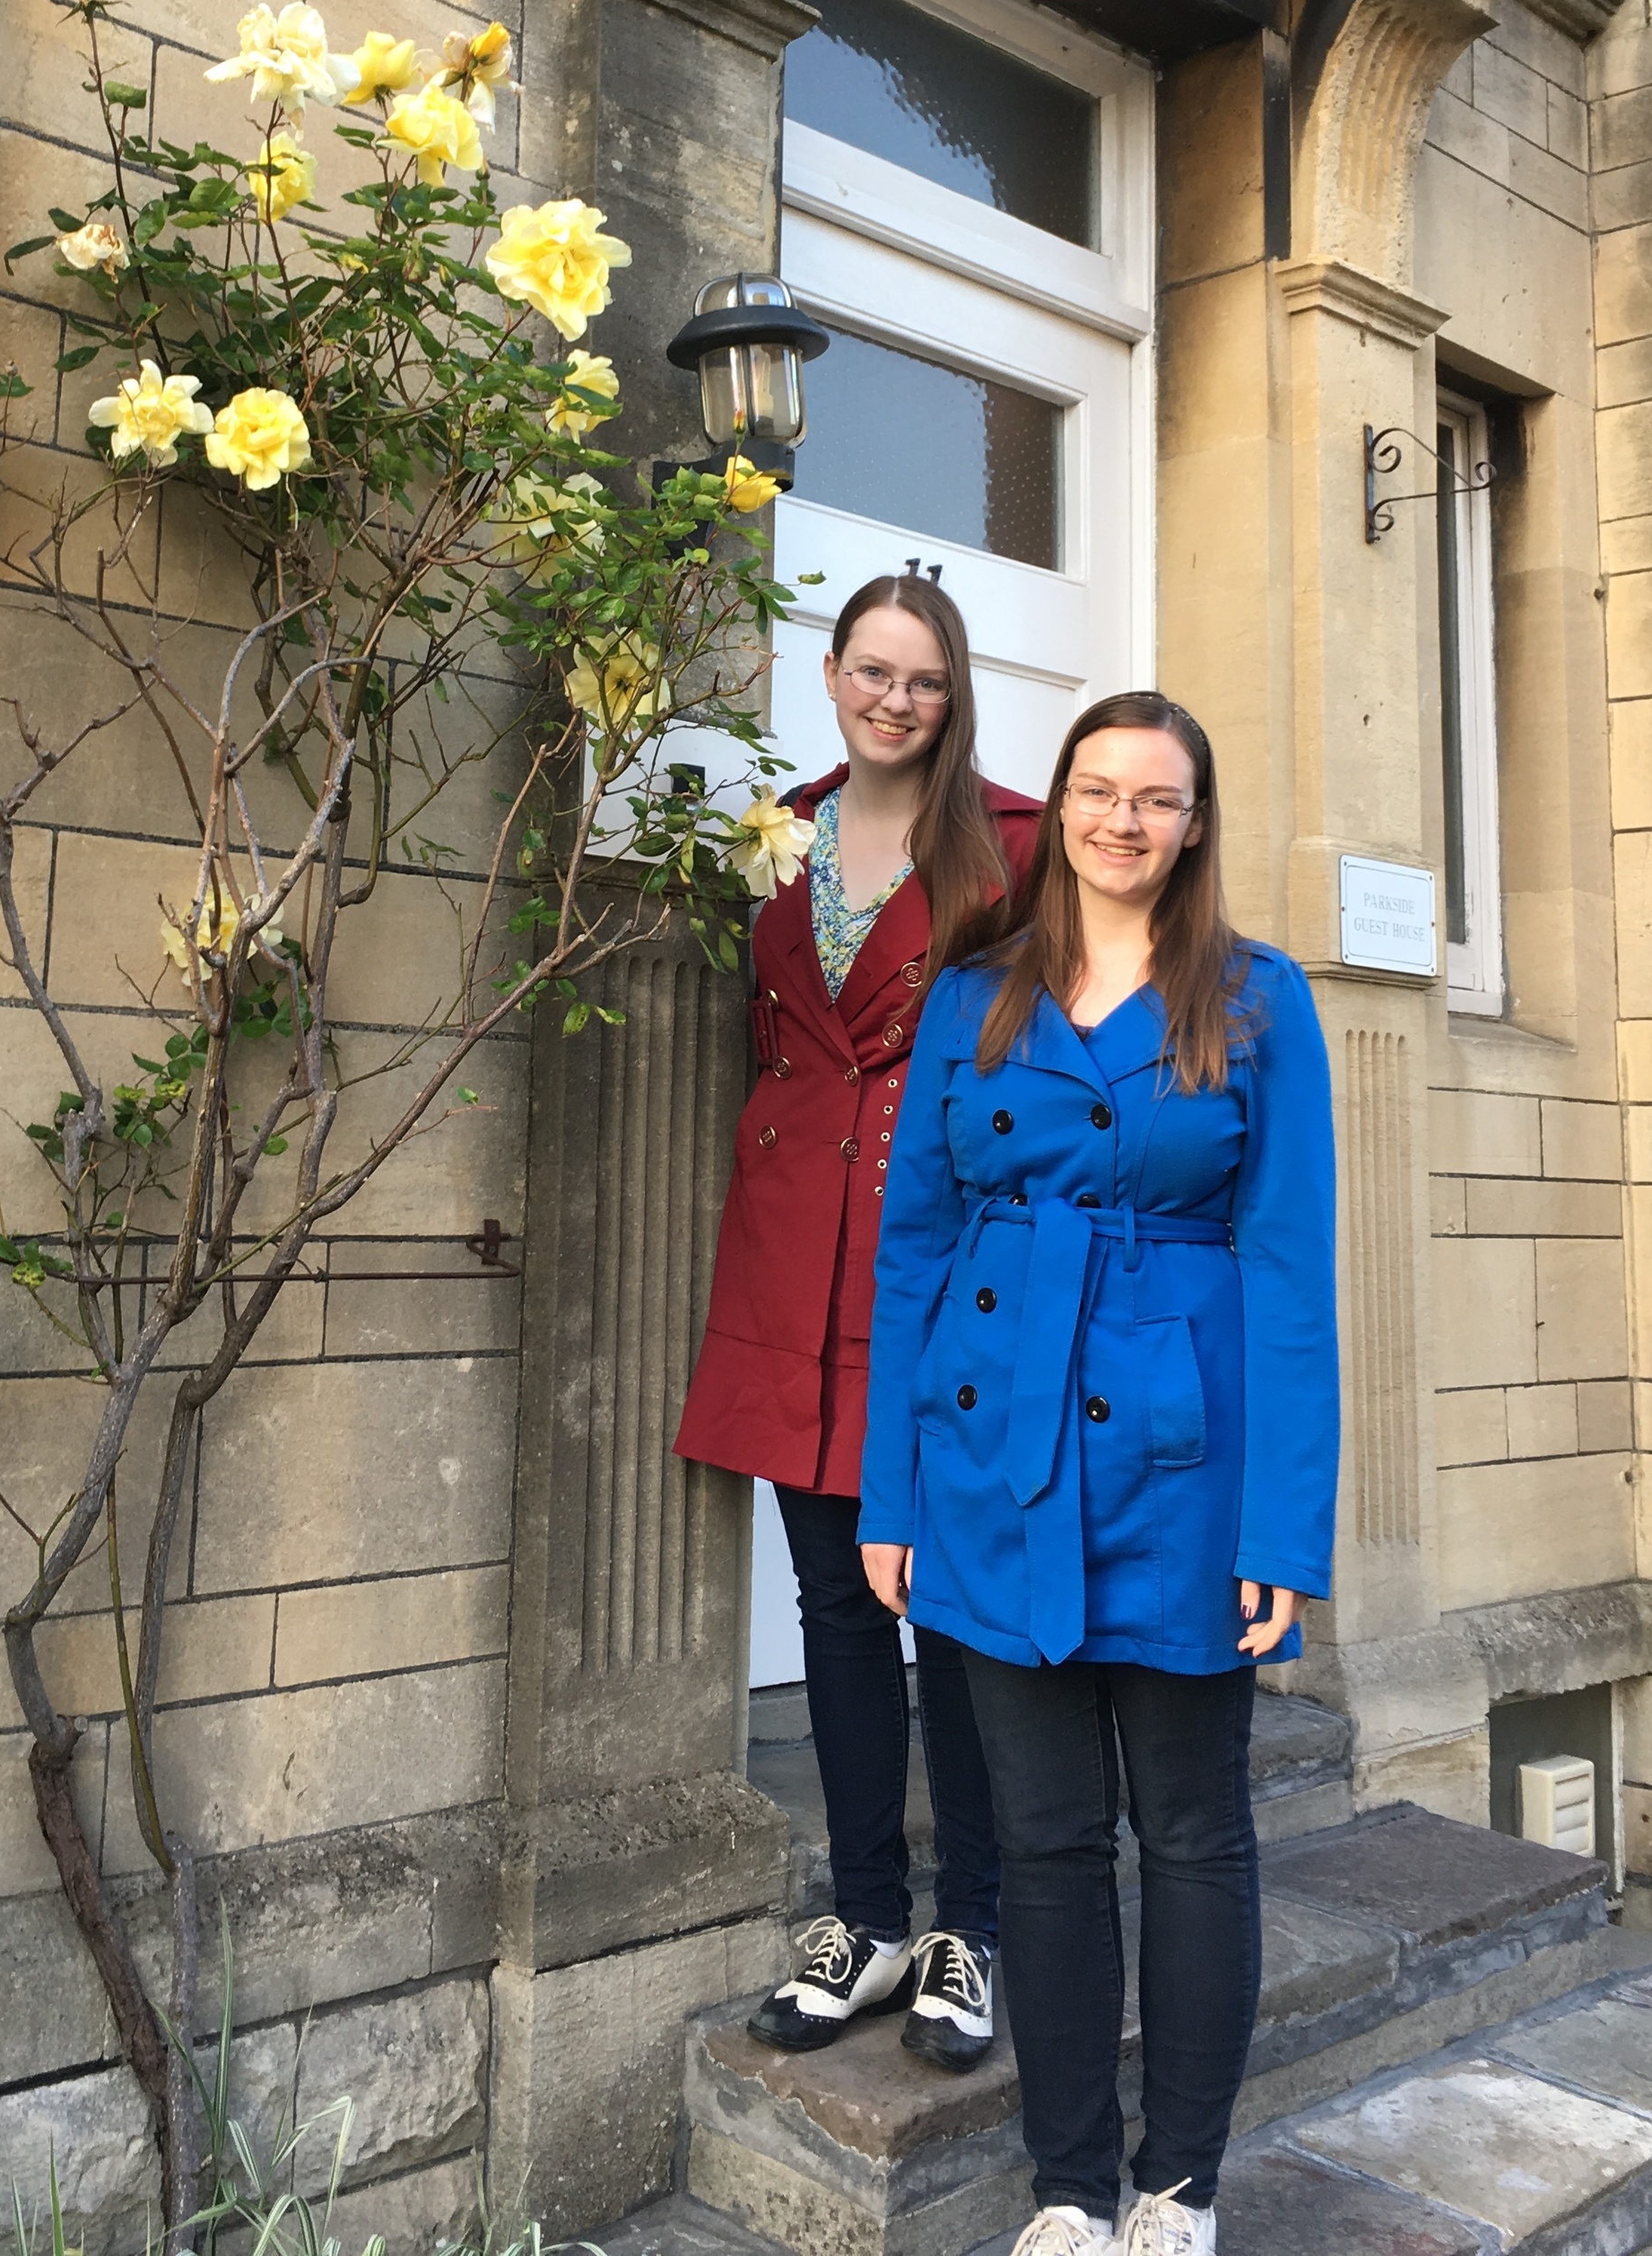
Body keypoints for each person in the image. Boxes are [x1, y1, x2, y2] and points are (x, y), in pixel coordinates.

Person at [856, 691, 1338, 2256]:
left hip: (1187, 1478)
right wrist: (892, 1494)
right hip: (993, 1460)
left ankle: (1178, 2182)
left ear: (1197, 822)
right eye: (1098, 789)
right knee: (1047, 1844)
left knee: (1193, 1832)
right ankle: (1069, 2189)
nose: (1124, 818)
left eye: (1159, 796)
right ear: (1055, 802)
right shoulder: (976, 989)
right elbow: (914, 1255)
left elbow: (1288, 1276)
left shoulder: (1257, 1001)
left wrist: (1286, 1524)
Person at [676, 575, 1040, 2069]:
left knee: (943, 1611)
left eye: (926, 681)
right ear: (828, 675)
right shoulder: (774, 834)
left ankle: (978, 1926)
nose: (896, 700)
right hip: (785, 1257)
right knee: (834, 1602)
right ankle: (870, 1913)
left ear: (955, 696)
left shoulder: (1011, 847)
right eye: (873, 673)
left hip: (932, 1258)